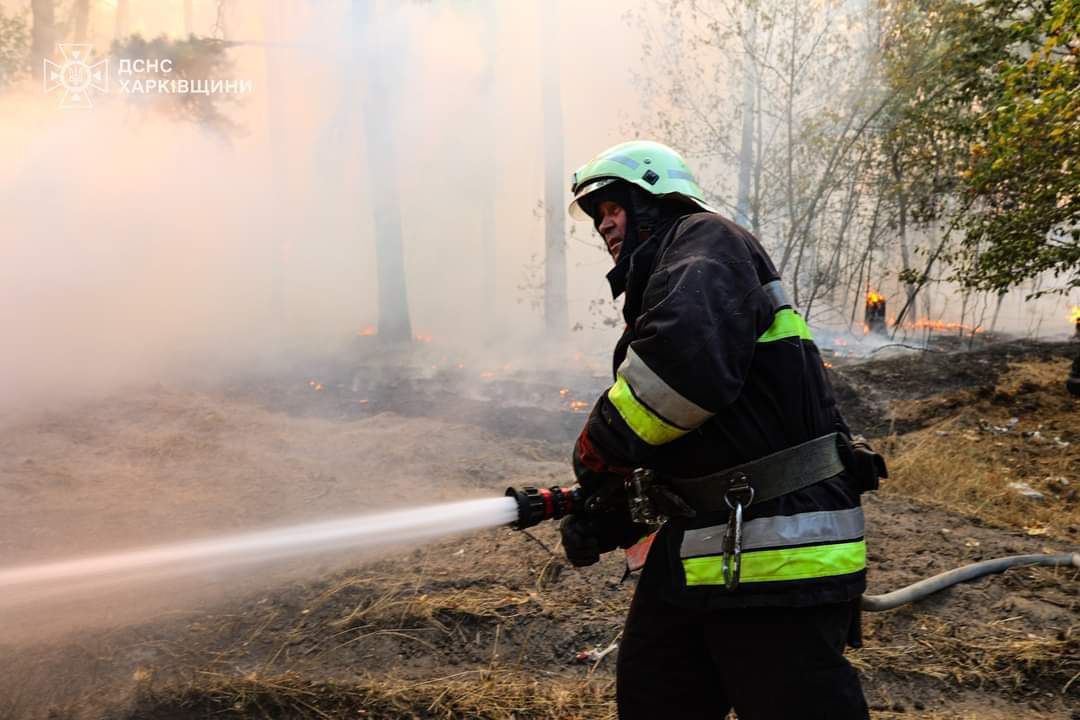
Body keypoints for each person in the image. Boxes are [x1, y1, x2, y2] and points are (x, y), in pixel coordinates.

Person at [559, 140, 885, 720]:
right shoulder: (676, 274)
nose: (604, 224)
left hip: (780, 553)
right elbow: (713, 435)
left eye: (614, 207)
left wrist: (599, 446)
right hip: (710, 546)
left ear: (659, 197)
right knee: (656, 693)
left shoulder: (706, 242)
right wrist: (614, 512)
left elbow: (682, 375)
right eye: (596, 216)